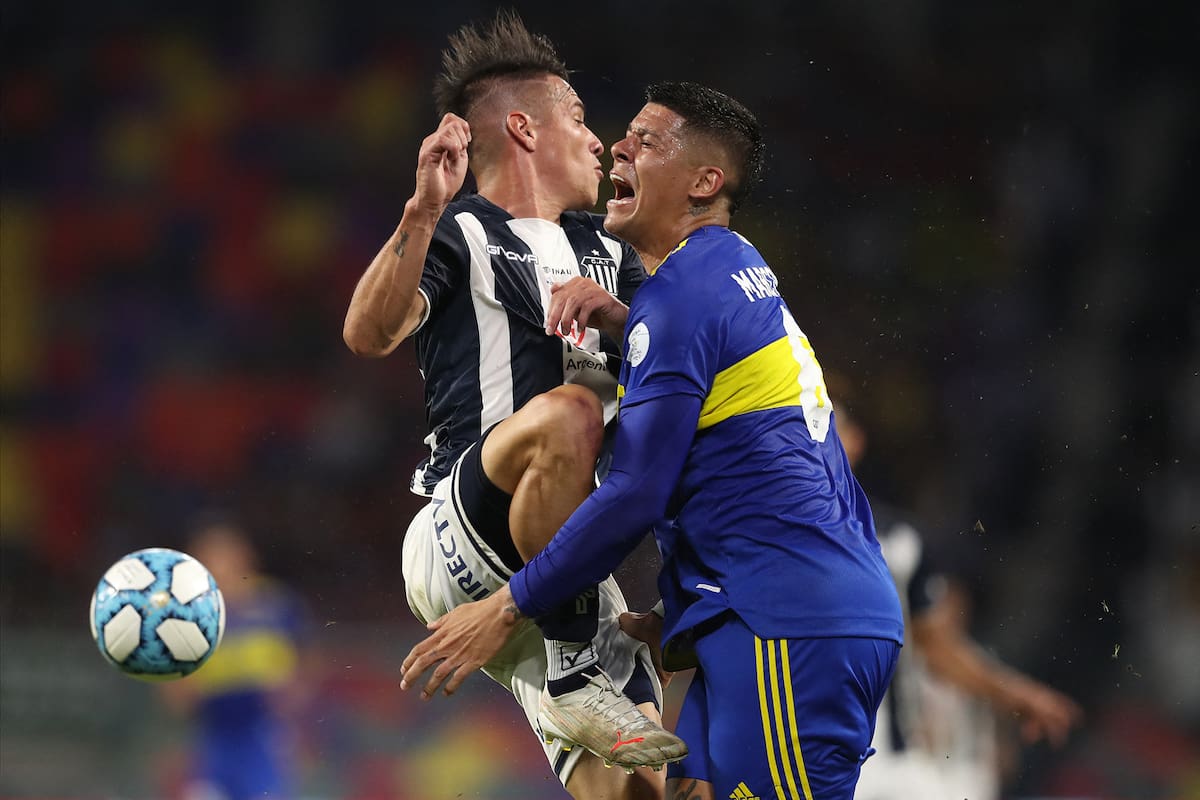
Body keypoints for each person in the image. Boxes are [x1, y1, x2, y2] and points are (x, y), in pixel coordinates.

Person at [399, 81, 905, 800]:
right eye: (627, 133)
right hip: (764, 615)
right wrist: (674, 612)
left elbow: (638, 493)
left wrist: (507, 607)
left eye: (649, 139)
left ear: (705, 182)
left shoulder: (684, 299)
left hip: (791, 624)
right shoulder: (726, 276)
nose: (621, 147)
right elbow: (759, 463)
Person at [341, 11, 684, 797]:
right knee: (570, 413)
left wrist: (626, 319)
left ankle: (570, 670)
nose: (598, 141)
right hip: (461, 527)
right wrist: (421, 210)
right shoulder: (460, 230)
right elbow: (368, 334)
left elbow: (673, 378)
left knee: (642, 790)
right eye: (578, 118)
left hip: (558, 564)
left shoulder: (612, 253)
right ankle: (571, 669)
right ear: (524, 128)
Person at [829, 383, 1083, 800]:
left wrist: (1013, 692)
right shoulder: (761, 533)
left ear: (856, 441)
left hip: (887, 768)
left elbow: (938, 648)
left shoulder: (900, 541)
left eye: (828, 425)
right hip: (796, 754)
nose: (815, 438)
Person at [159, 515, 311, 800]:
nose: (221, 566)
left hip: (264, 738)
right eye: (210, 558)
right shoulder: (187, 616)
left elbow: (303, 671)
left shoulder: (276, 605)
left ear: (245, 557)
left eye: (225, 556)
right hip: (213, 741)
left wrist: (290, 706)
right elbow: (176, 696)